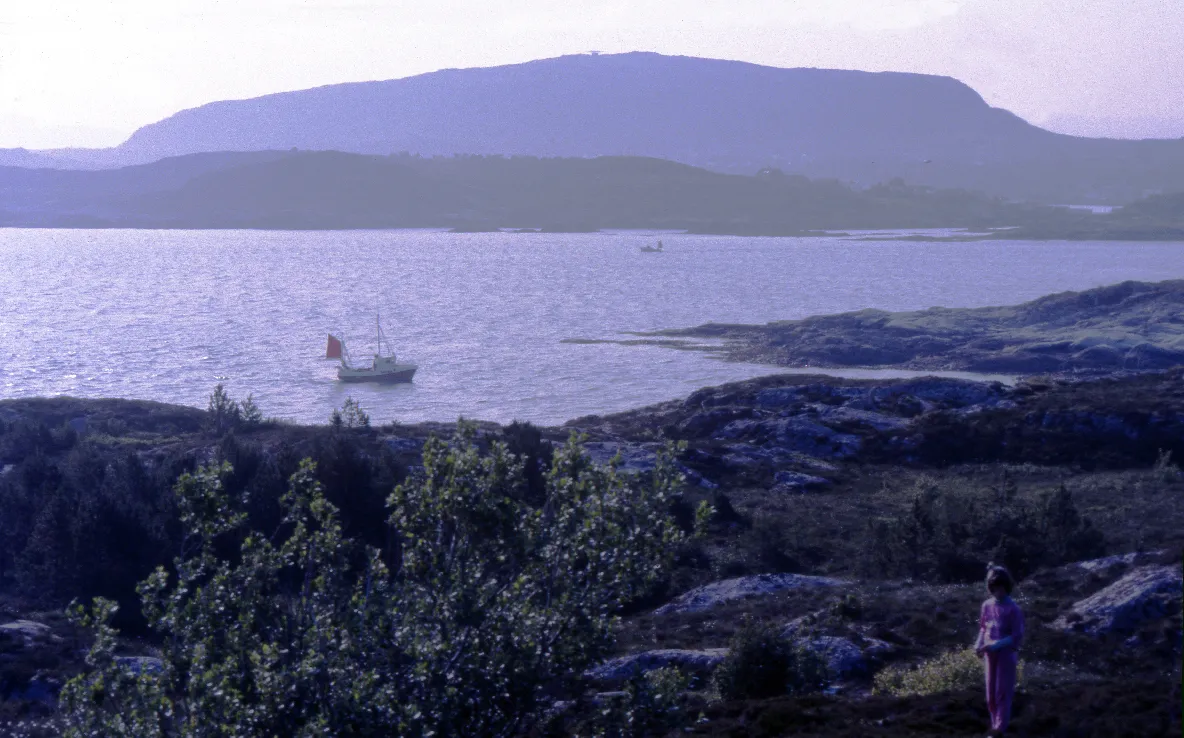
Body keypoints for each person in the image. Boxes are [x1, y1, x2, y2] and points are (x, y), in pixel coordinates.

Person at [974, 563, 1025, 736]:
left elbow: (1016, 636)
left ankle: (999, 730)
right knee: (990, 696)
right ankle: (994, 725)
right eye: (994, 588)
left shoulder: (1014, 609)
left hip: (1006, 655)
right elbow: (983, 627)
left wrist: (995, 645)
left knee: (1002, 694)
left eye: (1001, 588)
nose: (998, 592)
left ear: (1007, 587)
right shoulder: (986, 605)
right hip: (990, 655)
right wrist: (978, 644)